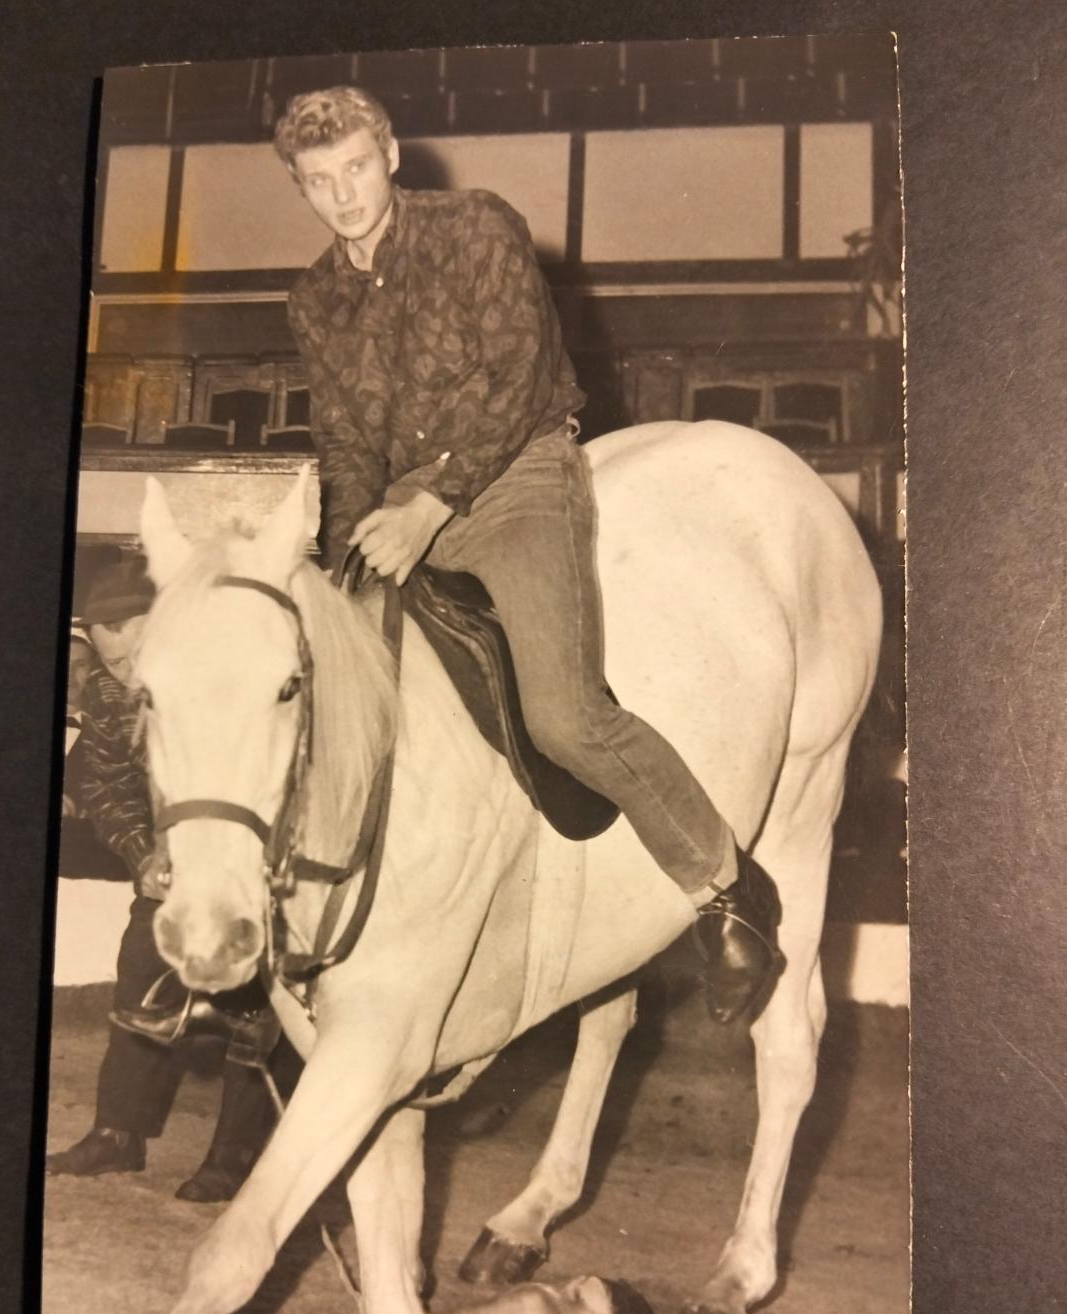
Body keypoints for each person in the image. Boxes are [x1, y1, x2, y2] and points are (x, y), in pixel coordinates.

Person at [273, 87, 782, 1023]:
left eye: (355, 167)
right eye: (319, 181)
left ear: (390, 155)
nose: (343, 195)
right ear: (300, 188)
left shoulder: (475, 227)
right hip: (399, 502)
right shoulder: (314, 300)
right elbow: (344, 442)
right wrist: (344, 557)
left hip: (518, 478)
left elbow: (521, 376)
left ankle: (725, 887)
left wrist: (431, 505)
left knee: (564, 718)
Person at [47, 552, 290, 1200]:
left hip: (247, 859)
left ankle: (233, 1154)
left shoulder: (229, 677)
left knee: (253, 1003)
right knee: (139, 968)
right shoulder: (108, 695)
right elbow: (107, 786)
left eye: (136, 656)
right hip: (171, 858)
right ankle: (116, 1134)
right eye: (110, 662)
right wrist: (143, 855)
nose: (126, 675)